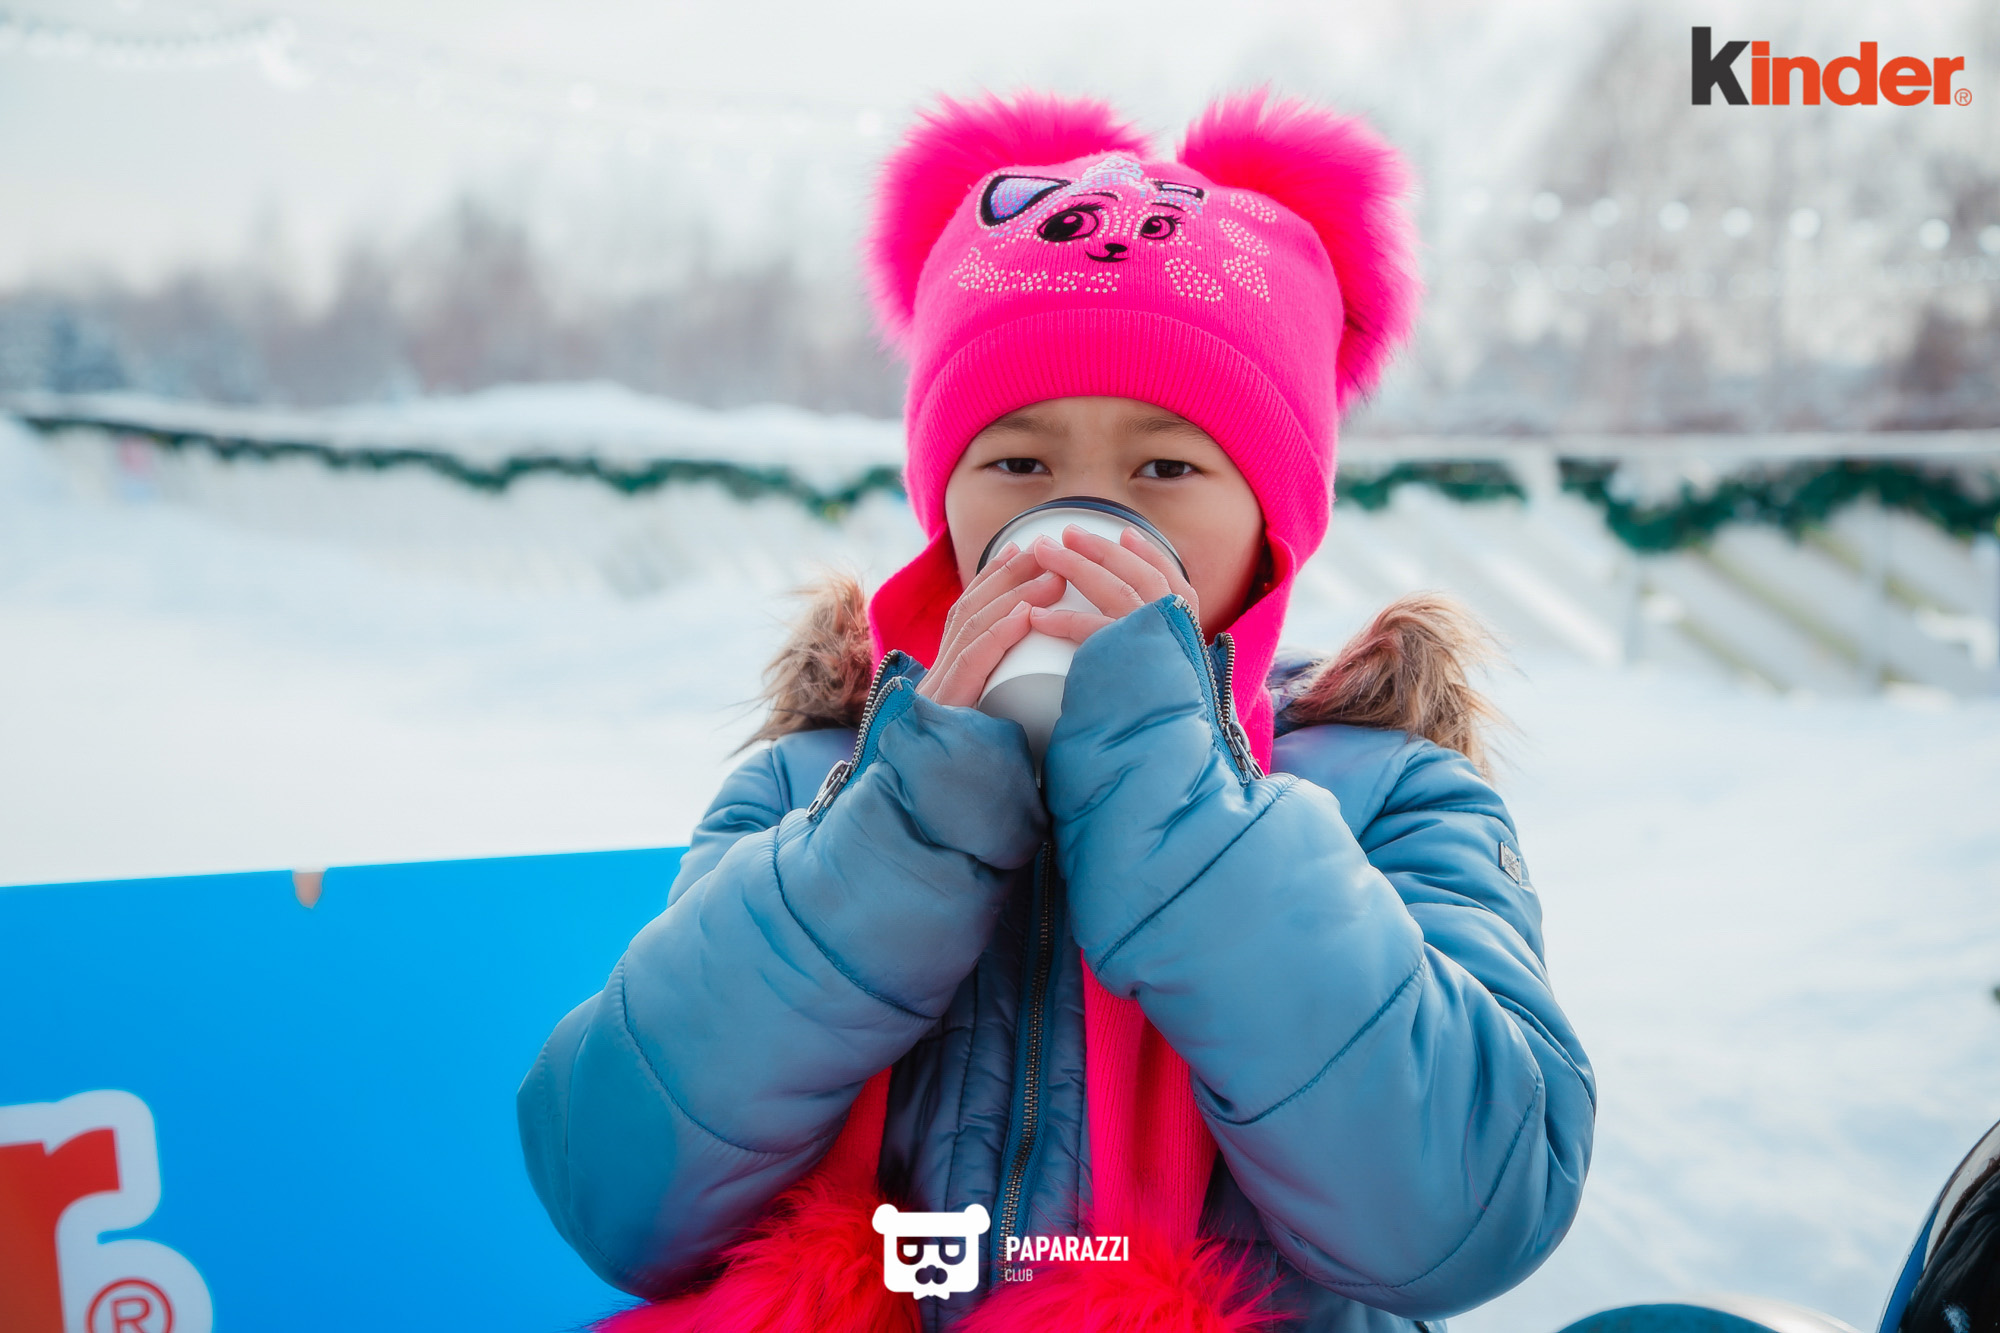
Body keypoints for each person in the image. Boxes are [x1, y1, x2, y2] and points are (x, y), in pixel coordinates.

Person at [518, 89, 1595, 1332]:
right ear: (946, 504)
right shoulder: (813, 783)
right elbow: (613, 1191)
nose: (1082, 518)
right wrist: (898, 832)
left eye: (1164, 468)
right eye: (1020, 464)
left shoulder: (1381, 793)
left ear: (1273, 521)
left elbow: (1466, 1213)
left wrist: (1180, 813)